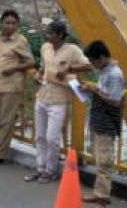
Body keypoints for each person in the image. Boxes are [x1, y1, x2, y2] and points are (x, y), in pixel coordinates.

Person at [26, 20, 91, 184]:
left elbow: (88, 65)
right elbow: (43, 66)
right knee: (40, 135)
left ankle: (51, 170)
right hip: (42, 95)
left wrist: (69, 69)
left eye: (50, 33)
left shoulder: (72, 50)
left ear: (60, 35)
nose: (47, 36)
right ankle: (40, 168)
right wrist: (38, 74)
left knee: (52, 138)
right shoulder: (45, 48)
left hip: (59, 100)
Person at [78, 40, 124, 208]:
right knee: (98, 159)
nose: (93, 65)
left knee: (104, 163)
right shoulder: (104, 72)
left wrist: (95, 89)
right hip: (98, 120)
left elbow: (115, 100)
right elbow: (103, 92)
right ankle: (98, 193)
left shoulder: (114, 75)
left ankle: (102, 202)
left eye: (94, 61)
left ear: (102, 57)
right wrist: (91, 89)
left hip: (106, 123)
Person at [0, 9, 35, 167]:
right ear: (2, 23)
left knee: (6, 121)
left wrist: (13, 69)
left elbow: (31, 62)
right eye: (7, 22)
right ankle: (11, 125)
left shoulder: (20, 41)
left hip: (12, 86)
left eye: (13, 23)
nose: (10, 26)